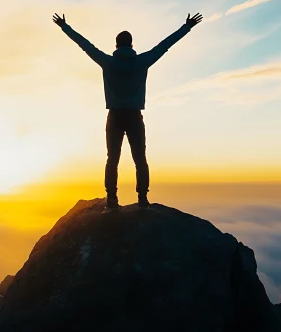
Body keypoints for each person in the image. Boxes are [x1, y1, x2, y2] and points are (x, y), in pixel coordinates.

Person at [52, 12, 203, 210]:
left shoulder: (107, 62)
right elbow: (165, 45)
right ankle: (142, 199)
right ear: (131, 45)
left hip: (114, 116)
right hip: (134, 116)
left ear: (116, 45)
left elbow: (85, 45)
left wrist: (65, 26)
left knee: (112, 159)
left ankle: (112, 200)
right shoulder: (142, 61)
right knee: (140, 159)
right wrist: (187, 27)